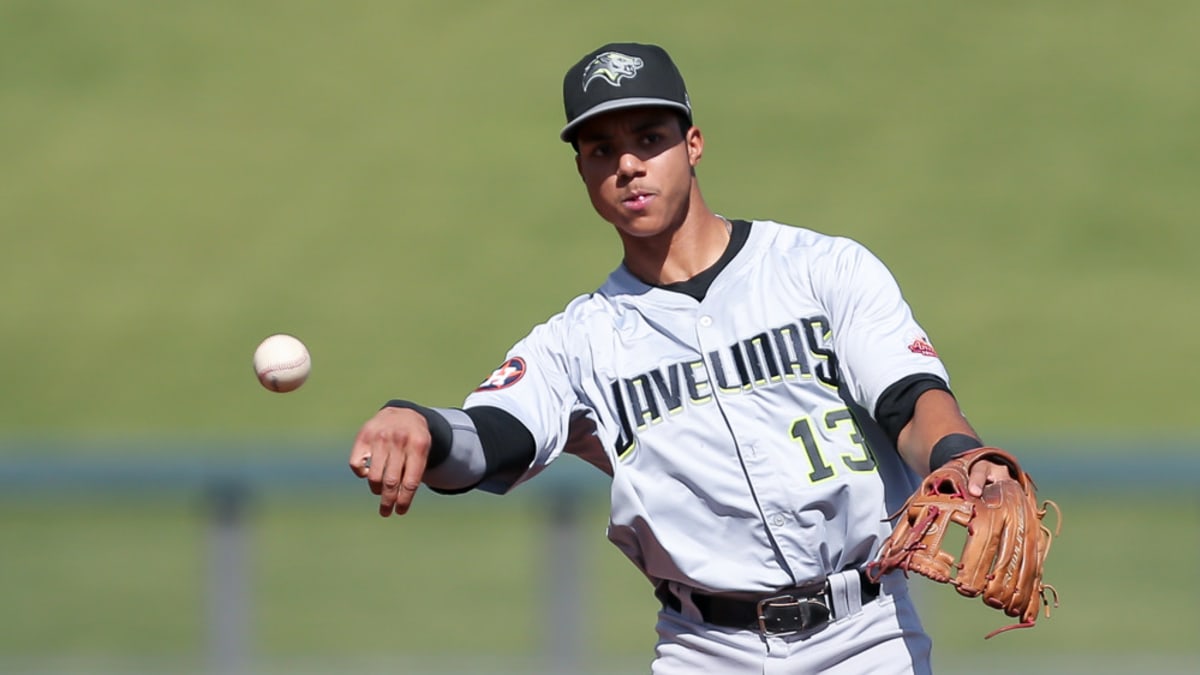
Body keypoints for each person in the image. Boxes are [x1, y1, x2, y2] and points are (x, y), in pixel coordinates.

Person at [348, 42, 1014, 674]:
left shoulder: (820, 269)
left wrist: (964, 454)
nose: (627, 165)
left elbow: (910, 396)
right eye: (601, 149)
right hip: (704, 647)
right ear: (581, 169)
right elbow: (493, 438)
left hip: (865, 637)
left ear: (692, 143)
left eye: (649, 139)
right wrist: (423, 426)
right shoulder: (579, 341)